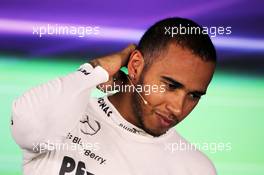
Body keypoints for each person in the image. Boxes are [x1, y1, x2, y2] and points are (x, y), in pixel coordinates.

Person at [11, 17, 217, 175]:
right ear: (136, 66)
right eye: (171, 86)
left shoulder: (196, 168)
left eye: (193, 95)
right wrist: (94, 71)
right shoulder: (65, 118)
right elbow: (23, 122)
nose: (178, 108)